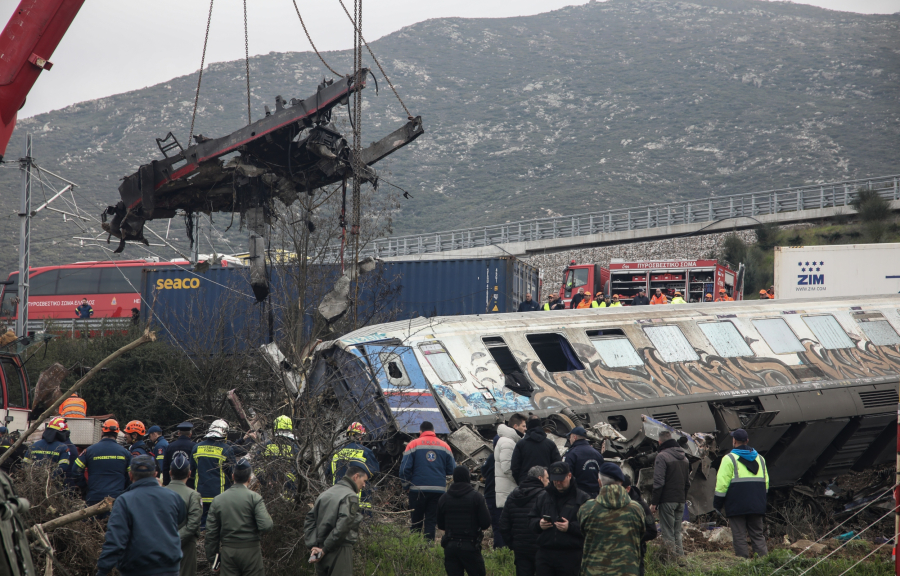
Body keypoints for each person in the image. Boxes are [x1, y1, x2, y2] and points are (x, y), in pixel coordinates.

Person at [96, 455, 186, 576]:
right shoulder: (174, 497)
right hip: (170, 569)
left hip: (137, 570)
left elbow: (116, 540)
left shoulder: (124, 501)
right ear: (155, 474)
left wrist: (103, 570)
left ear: (130, 475)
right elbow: (180, 519)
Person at [205, 459, 273, 576]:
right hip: (251, 552)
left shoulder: (218, 500)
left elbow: (211, 533)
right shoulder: (255, 498)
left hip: (228, 553)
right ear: (249, 479)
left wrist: (214, 559)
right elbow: (266, 525)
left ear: (232, 476)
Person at [578, 462, 645, 576]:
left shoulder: (587, 509)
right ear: (621, 482)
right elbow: (641, 534)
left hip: (594, 570)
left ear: (599, 482)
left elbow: (582, 533)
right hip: (628, 570)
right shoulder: (636, 509)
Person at [714, 429, 769, 559]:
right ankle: (764, 562)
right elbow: (766, 484)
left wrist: (717, 503)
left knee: (739, 535)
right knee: (757, 534)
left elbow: (722, 484)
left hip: (736, 504)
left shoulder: (729, 459)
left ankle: (743, 564)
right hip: (756, 504)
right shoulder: (761, 459)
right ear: (747, 441)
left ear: (734, 441)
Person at [528, 461, 589, 576]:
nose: (558, 483)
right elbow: (531, 520)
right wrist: (539, 524)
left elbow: (590, 527)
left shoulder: (582, 499)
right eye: (555, 479)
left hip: (571, 556)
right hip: (545, 555)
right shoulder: (543, 497)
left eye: (561, 479)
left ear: (569, 476)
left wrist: (570, 527)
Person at [304, 466, 367, 576]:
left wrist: (314, 545)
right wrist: (325, 549)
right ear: (356, 477)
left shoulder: (325, 494)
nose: (364, 485)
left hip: (319, 551)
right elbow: (343, 525)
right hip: (339, 550)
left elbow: (309, 519)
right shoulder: (350, 496)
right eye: (364, 481)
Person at [399, 421, 456, 542]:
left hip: (417, 489)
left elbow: (404, 470)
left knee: (416, 522)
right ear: (433, 431)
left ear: (420, 432)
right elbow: (452, 469)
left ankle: (414, 549)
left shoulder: (413, 444)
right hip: (438, 491)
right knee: (431, 521)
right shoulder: (445, 446)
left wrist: (406, 486)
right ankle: (428, 549)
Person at [438, 466, 492, 576]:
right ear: (468, 478)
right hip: (470, 546)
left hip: (450, 546)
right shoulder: (476, 497)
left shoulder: (444, 498)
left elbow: (441, 524)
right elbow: (485, 523)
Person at [500, 466, 548, 576]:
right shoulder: (545, 496)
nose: (549, 481)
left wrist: (513, 544)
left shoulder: (513, 495)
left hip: (520, 549)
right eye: (547, 478)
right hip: (541, 548)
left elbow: (503, 525)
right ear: (540, 478)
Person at [650, 430, 690, 556]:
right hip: (680, 501)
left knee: (667, 533)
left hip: (667, 501)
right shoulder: (684, 458)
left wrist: (654, 503)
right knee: (677, 532)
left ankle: (671, 563)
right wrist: (683, 498)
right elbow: (687, 483)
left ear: (659, 442)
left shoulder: (662, 456)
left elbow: (658, 482)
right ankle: (681, 560)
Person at [193, 419, 236, 528]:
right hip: (220, 495)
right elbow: (233, 474)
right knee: (218, 527)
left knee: (202, 527)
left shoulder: (197, 447)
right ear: (224, 433)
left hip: (200, 495)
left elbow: (191, 472)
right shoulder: (226, 449)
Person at [165, 454, 202, 576]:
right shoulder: (193, 495)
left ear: (170, 473)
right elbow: (193, 524)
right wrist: (176, 539)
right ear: (189, 473)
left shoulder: (159, 493)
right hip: (186, 545)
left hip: (162, 543)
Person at [330, 421, 379, 507]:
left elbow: (329, 472)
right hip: (359, 500)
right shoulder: (365, 452)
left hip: (337, 498)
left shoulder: (337, 452)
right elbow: (375, 472)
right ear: (360, 437)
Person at [623, 474, 657, 576]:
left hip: (635, 555)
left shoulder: (641, 506)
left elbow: (652, 531)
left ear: (627, 489)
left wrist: (631, 537)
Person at [511, 417, 561, 484]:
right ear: (540, 426)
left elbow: (515, 467)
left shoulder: (520, 444)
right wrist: (550, 480)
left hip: (526, 484)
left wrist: (521, 481)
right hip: (546, 483)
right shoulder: (550, 444)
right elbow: (557, 464)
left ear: (528, 427)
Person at [496, 414, 526, 508]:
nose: (525, 429)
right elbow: (507, 468)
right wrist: (521, 482)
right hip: (508, 493)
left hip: (508, 492)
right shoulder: (507, 442)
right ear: (515, 426)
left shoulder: (510, 441)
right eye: (523, 426)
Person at [563, 427, 603, 498]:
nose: (569, 439)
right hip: (596, 495)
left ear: (574, 437)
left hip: (578, 496)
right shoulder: (597, 454)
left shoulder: (571, 454)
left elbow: (568, 475)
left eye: (570, 437)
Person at [481, 438, 504, 548]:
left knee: (497, 525)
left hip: (492, 494)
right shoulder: (510, 456)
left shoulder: (492, 457)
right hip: (505, 494)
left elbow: (483, 472)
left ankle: (499, 550)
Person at [164, 422, 196, 486]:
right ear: (190, 434)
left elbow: (165, 466)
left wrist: (166, 482)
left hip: (173, 482)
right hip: (189, 483)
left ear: (178, 433)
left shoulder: (170, 446)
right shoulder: (194, 446)